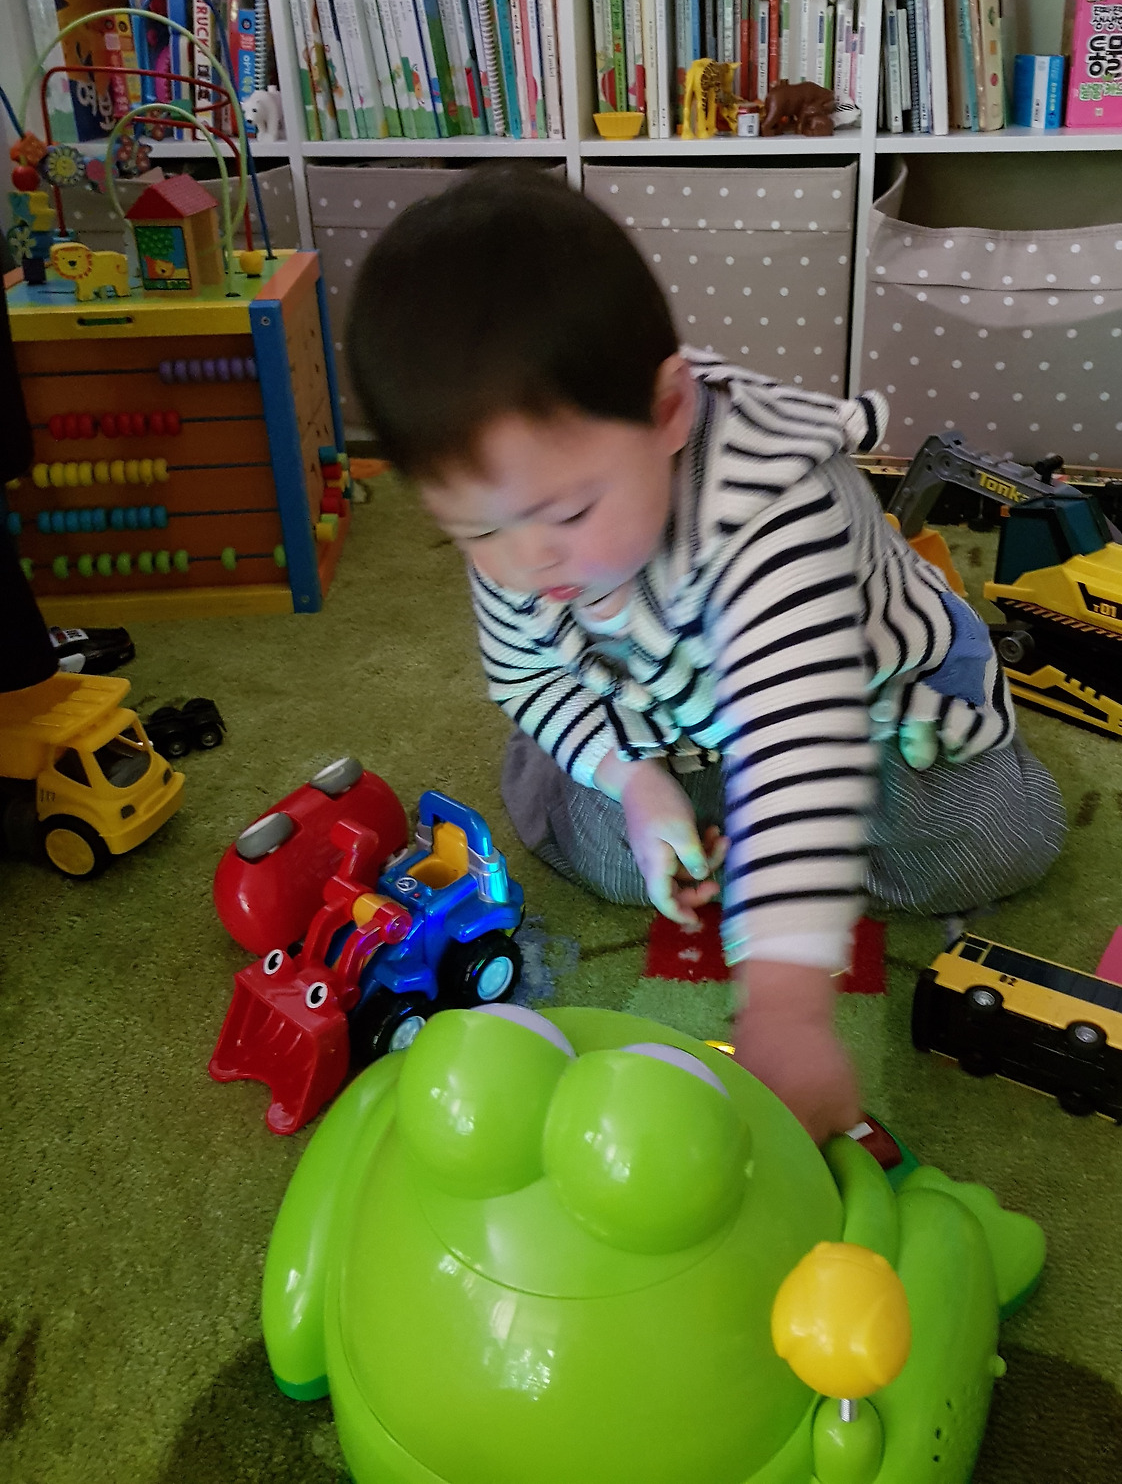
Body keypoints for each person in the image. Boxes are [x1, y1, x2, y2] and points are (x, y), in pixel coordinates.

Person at [347, 168, 1065, 1143]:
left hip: (853, 701)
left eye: (569, 512)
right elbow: (528, 674)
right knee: (614, 848)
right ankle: (732, 826)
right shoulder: (523, 528)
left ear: (668, 412)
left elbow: (801, 747)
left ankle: (788, 851)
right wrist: (633, 781)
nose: (526, 562)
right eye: (473, 533)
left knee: (987, 839)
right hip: (669, 713)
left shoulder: (772, 505)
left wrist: (784, 1007)